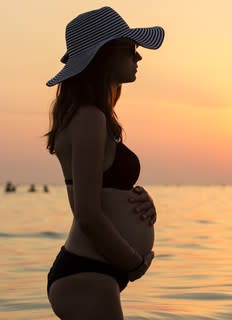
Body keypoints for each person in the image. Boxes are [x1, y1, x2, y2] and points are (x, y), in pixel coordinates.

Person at [44, 7, 164, 319]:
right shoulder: (88, 118)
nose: (138, 57)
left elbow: (103, 193)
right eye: (130, 48)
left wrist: (140, 201)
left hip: (94, 272)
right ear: (103, 55)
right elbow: (87, 214)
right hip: (86, 272)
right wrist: (133, 264)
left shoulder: (96, 118)